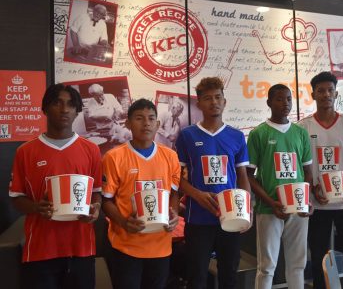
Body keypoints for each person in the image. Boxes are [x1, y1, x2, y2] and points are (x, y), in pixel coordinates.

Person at [9, 84, 102, 289]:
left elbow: (96, 194)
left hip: (81, 249)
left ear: (77, 111)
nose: (64, 109)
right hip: (41, 250)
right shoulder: (25, 151)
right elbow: (16, 197)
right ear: (44, 109)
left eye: (70, 104)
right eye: (57, 103)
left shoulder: (92, 150)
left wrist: (95, 210)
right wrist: (36, 207)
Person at [175, 77, 251, 289]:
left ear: (225, 101)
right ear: (199, 104)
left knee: (229, 275)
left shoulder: (236, 136)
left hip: (231, 216)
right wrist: (196, 194)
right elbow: (176, 177)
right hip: (197, 218)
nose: (214, 102)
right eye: (207, 98)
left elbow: (242, 175)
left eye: (218, 97)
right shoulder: (187, 135)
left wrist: (247, 210)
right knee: (197, 276)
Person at [102, 98, 181, 289]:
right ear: (128, 124)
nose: (146, 123)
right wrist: (123, 222)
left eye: (151, 118)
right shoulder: (114, 157)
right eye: (139, 118)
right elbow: (106, 201)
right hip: (126, 246)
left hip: (161, 245)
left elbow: (174, 194)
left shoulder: (170, 156)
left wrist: (174, 213)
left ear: (157, 124)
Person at [298, 72, 343, 289]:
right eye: (321, 91)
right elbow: (302, 166)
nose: (326, 94)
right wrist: (311, 189)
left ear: (336, 93)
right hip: (318, 203)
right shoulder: (302, 127)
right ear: (313, 95)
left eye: (330, 90)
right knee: (317, 257)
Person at [246, 84, 313, 289]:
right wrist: (270, 202)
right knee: (266, 266)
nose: (285, 103)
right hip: (268, 209)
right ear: (268, 103)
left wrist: (306, 200)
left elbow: (308, 173)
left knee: (297, 265)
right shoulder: (258, 133)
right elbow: (249, 176)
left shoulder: (300, 133)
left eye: (289, 99)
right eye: (279, 99)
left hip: (297, 210)